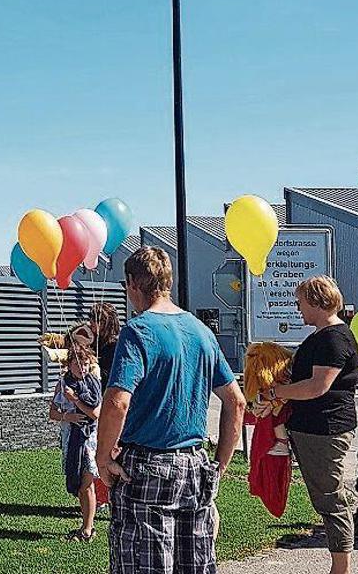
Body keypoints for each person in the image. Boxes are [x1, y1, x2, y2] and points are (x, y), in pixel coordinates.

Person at [96, 246, 245, 574]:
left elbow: (118, 401)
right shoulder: (202, 332)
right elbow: (236, 401)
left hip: (147, 468)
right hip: (194, 465)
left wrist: (103, 457)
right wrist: (218, 466)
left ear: (133, 283)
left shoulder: (138, 331)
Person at [267, 276, 358, 574]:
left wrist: (275, 392)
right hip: (313, 427)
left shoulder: (334, 338)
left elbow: (318, 386)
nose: (298, 308)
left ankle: (341, 568)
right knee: (327, 495)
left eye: (301, 302)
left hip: (326, 428)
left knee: (330, 498)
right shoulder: (322, 336)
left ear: (318, 301)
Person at [48, 342, 102, 542]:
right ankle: (86, 525)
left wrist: (76, 400)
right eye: (78, 364)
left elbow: (95, 414)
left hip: (89, 440)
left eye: (86, 364)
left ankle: (88, 529)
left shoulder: (93, 384)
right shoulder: (63, 385)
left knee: (86, 485)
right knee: (80, 484)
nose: (83, 368)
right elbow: (52, 413)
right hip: (71, 439)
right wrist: (67, 417)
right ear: (69, 365)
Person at [87, 302, 121, 387]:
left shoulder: (116, 345)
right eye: (90, 317)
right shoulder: (90, 339)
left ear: (106, 322)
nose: (91, 321)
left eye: (95, 318)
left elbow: (110, 374)